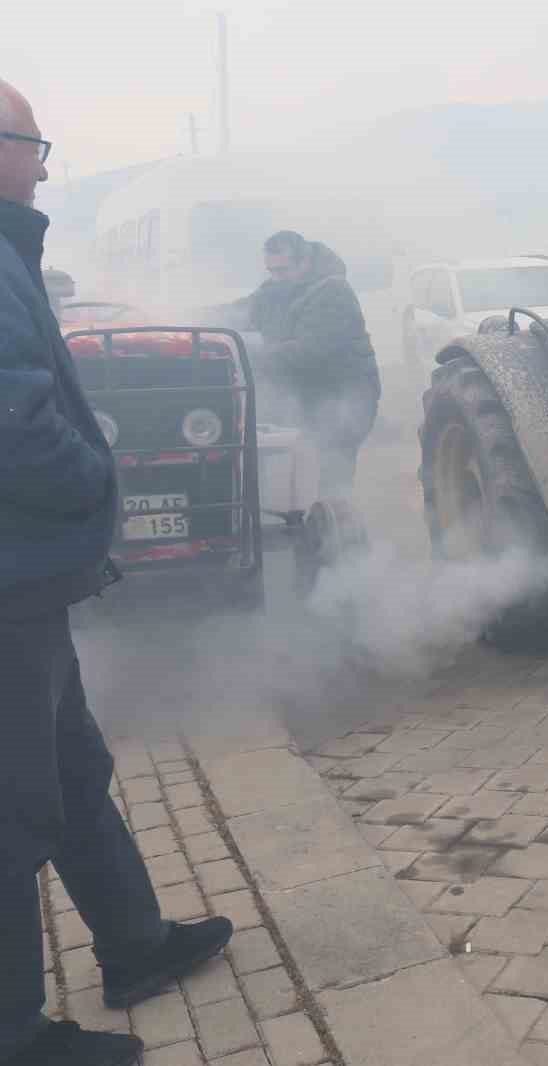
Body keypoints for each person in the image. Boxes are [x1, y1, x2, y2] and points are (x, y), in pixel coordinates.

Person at [0, 80, 233, 1066]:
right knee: (13, 806)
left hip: (27, 583)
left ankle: (134, 945)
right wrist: (96, 470)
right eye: (35, 144)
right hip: (8, 583)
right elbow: (12, 416)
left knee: (71, 772)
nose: (47, 164)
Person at [232, 230, 381, 497]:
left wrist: (252, 353)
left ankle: (339, 528)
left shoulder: (334, 292)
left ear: (304, 262)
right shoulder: (278, 287)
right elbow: (239, 311)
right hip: (307, 394)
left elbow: (310, 351)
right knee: (294, 475)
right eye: (271, 271)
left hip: (344, 397)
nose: (276, 277)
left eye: (283, 270)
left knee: (328, 476)